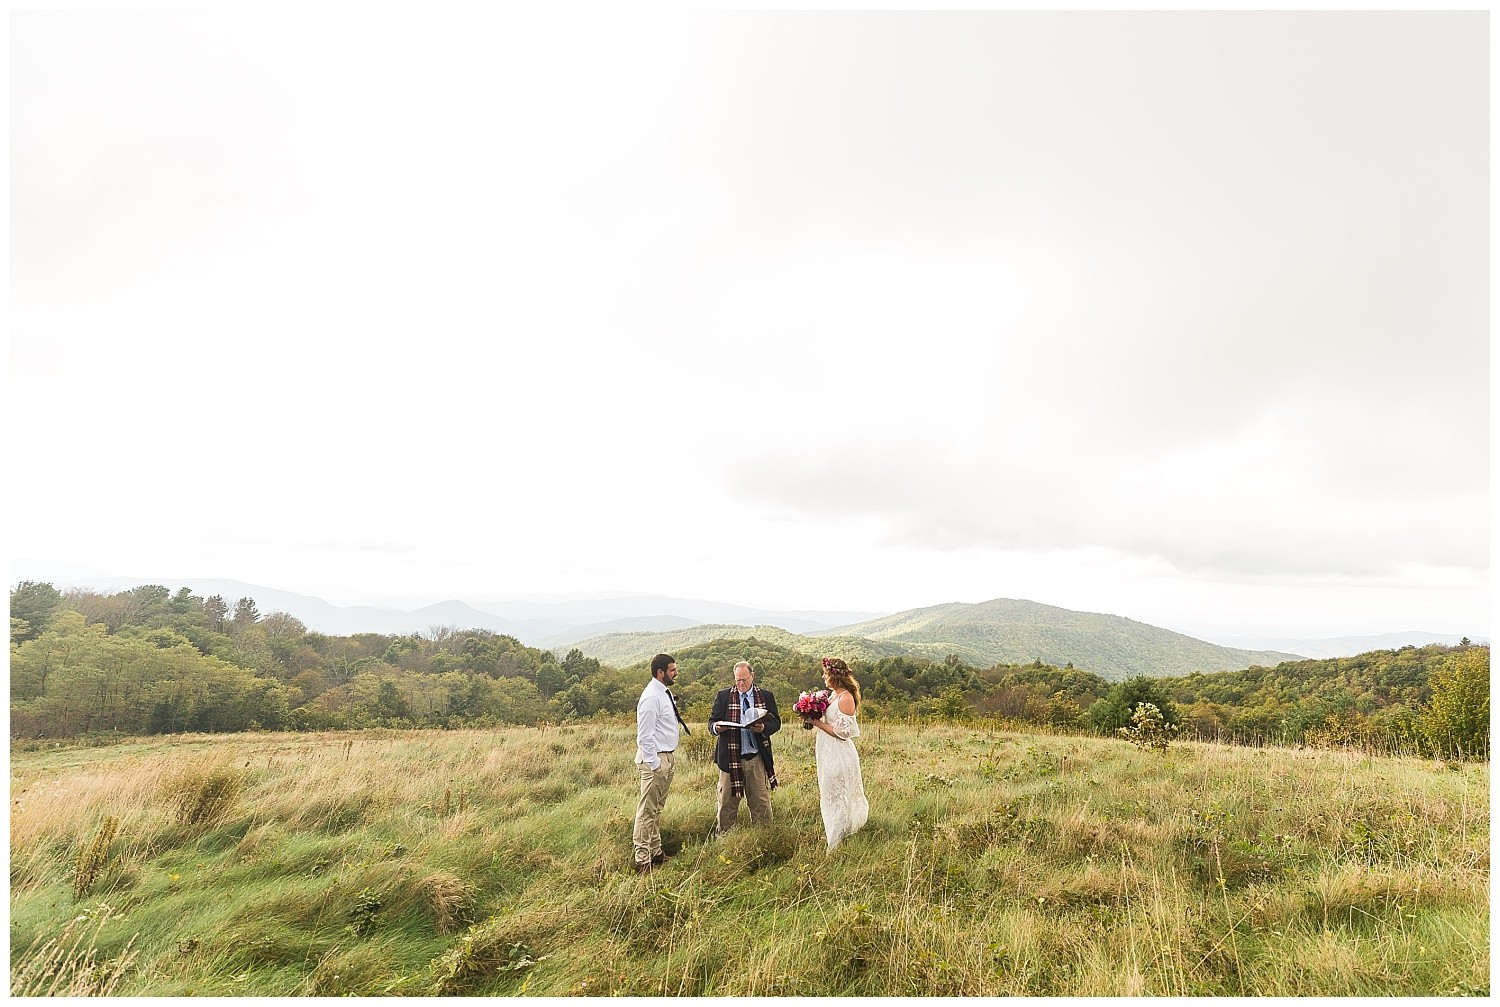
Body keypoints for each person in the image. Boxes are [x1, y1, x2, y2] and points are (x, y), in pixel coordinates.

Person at [707, 661, 781, 834]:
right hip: (730, 760)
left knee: (761, 804)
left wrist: (763, 728)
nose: (741, 684)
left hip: (756, 758)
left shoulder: (766, 696)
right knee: (726, 805)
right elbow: (711, 722)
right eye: (738, 680)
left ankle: (764, 837)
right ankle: (726, 839)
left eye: (744, 680)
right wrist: (717, 727)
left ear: (752, 677)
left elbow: (776, 722)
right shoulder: (723, 696)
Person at [633, 653, 687, 874]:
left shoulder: (664, 693)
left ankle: (656, 852)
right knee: (646, 811)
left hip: (666, 757)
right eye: (672, 670)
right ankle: (642, 860)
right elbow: (644, 736)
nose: (676, 673)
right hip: (655, 759)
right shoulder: (651, 698)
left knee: (657, 809)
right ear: (660, 672)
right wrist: (655, 764)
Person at [810, 657, 868, 851]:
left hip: (839, 753)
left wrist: (816, 722)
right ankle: (836, 836)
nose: (823, 677)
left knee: (838, 796)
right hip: (826, 751)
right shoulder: (831, 695)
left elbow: (843, 733)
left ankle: (835, 843)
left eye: (826, 674)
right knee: (828, 794)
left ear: (834, 676)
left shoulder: (846, 698)